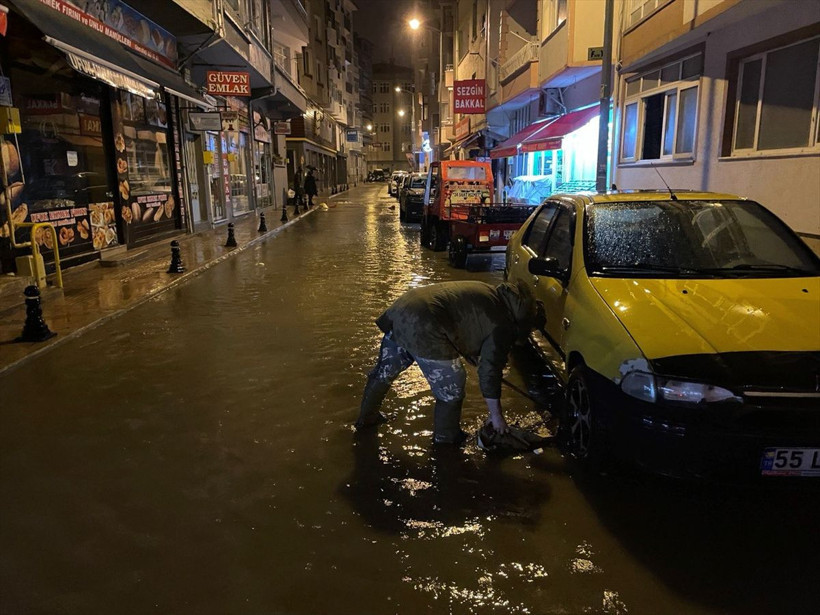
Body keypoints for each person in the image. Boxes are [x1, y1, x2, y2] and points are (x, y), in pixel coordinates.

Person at [355, 281, 545, 445]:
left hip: (404, 308)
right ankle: (446, 440)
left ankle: (367, 418)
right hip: (425, 323)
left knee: (384, 372)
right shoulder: (505, 325)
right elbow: (490, 372)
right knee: (452, 388)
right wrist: (497, 417)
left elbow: (466, 323)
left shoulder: (493, 294)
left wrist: (471, 353)